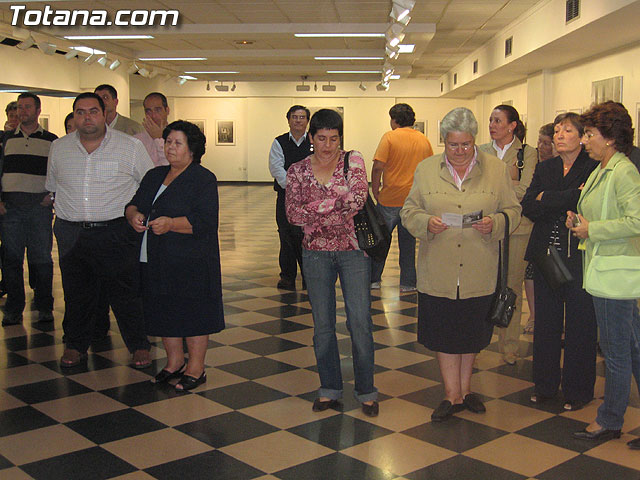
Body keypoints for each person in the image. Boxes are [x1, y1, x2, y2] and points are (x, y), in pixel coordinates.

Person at [400, 107, 521, 421]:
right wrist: (426, 222)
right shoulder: (426, 169)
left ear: (474, 140)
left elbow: (513, 211)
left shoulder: (496, 169)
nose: (460, 151)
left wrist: (495, 222)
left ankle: (466, 391)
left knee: (472, 334)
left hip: (479, 268)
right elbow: (408, 211)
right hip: (438, 269)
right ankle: (451, 394)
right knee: (444, 334)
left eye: (466, 144)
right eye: (453, 145)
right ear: (443, 142)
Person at [45, 92, 153, 369]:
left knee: (126, 294)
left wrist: (135, 212)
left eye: (93, 111)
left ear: (105, 114)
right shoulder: (59, 148)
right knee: (76, 294)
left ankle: (139, 345)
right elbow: (53, 187)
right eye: (80, 112)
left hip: (115, 232)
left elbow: (149, 185)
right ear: (74, 116)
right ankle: (75, 345)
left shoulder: (129, 147)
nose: (87, 117)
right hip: (72, 233)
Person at [285, 108, 378, 417]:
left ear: (341, 139)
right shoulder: (297, 170)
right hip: (314, 254)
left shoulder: (353, 161)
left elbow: (358, 199)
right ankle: (329, 388)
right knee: (323, 325)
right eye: (321, 138)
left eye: (334, 139)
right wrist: (336, 206)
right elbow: (292, 214)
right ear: (311, 138)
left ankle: (366, 390)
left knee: (360, 322)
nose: (328, 145)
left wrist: (315, 208)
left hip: (353, 251)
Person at [126, 120, 224, 391]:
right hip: (156, 256)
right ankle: (174, 362)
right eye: (168, 142)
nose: (170, 147)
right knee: (162, 307)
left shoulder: (202, 178)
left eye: (177, 143)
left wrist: (171, 223)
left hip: (191, 259)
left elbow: (205, 221)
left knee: (192, 311)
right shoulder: (154, 175)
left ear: (192, 149)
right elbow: (134, 203)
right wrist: (133, 215)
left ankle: (196, 367)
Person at [566, 102, 640, 447]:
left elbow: (636, 222)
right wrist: (580, 223)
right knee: (634, 348)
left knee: (616, 351)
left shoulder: (622, 171)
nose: (585, 141)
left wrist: (592, 229)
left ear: (609, 138)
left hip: (615, 274)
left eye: (590, 135)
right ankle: (612, 417)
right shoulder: (602, 168)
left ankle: (610, 420)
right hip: (606, 267)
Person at [522, 112, 598, 412]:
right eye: (556, 130)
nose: (559, 135)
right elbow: (528, 205)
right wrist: (560, 198)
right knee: (547, 323)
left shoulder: (593, 167)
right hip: (546, 253)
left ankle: (578, 390)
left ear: (582, 136)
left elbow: (582, 201)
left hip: (578, 254)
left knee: (581, 323)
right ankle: (545, 385)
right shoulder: (546, 166)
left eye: (567, 130)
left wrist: (547, 198)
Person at [479, 105, 537, 365]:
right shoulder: (480, 152)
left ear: (512, 125)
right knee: (482, 285)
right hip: (485, 228)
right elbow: (475, 190)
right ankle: (476, 344)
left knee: (512, 288)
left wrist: (498, 186)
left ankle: (509, 346)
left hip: (518, 229)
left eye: (498, 120)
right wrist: (508, 179)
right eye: (491, 120)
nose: (492, 125)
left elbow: (525, 190)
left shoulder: (528, 153)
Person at [0, 93, 57, 325]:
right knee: (11, 260)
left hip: (38, 209)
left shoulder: (51, 140)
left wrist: (51, 195)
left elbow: (58, 172)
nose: (23, 111)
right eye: (20, 107)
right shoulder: (4, 139)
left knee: (41, 259)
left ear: (38, 110)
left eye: (27, 107)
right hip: (10, 209)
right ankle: (14, 308)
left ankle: (44, 307)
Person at [370, 103, 433, 292]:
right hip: (414, 201)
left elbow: (378, 166)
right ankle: (408, 283)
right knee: (408, 244)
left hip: (389, 198)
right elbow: (429, 169)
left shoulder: (389, 137)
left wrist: (375, 190)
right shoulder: (423, 140)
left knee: (380, 241)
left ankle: (373, 279)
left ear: (395, 120)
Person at [269, 105, 312, 290]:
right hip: (285, 198)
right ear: (288, 119)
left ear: (307, 121)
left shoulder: (314, 141)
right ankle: (287, 276)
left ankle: (309, 276)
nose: (298, 120)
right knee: (286, 236)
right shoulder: (279, 142)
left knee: (306, 236)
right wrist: (295, 187)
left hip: (310, 199)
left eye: (302, 117)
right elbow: (276, 168)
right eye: (294, 117)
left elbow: (318, 166)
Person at [523, 122, 557, 334]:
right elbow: (529, 203)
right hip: (538, 234)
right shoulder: (538, 166)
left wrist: (547, 199)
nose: (542, 147)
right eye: (539, 142)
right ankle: (535, 317)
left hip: (557, 238)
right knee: (531, 274)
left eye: (546, 143)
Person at [134, 92, 170, 167]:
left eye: (158, 110)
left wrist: (158, 139)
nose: (153, 116)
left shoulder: (177, 137)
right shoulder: (137, 140)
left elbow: (172, 165)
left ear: (167, 111)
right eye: (148, 111)